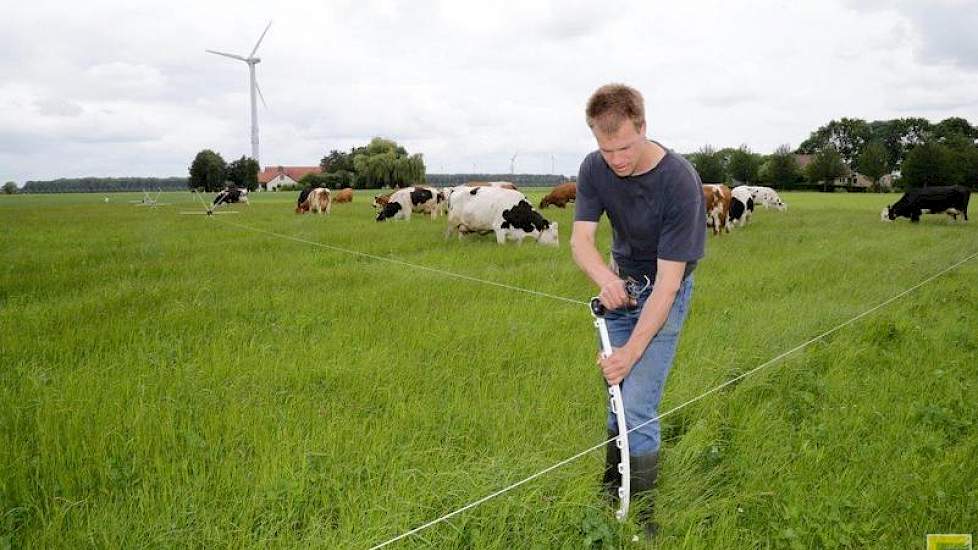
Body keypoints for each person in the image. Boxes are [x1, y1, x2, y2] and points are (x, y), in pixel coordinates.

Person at [570, 83, 706, 537]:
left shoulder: (679, 182)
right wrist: (607, 281)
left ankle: (642, 518)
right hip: (620, 290)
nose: (617, 159)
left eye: (625, 146)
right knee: (616, 400)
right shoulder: (594, 168)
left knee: (638, 406)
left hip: (663, 294)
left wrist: (631, 352)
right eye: (606, 149)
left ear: (644, 127)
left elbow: (668, 286)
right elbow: (580, 242)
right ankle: (612, 492)